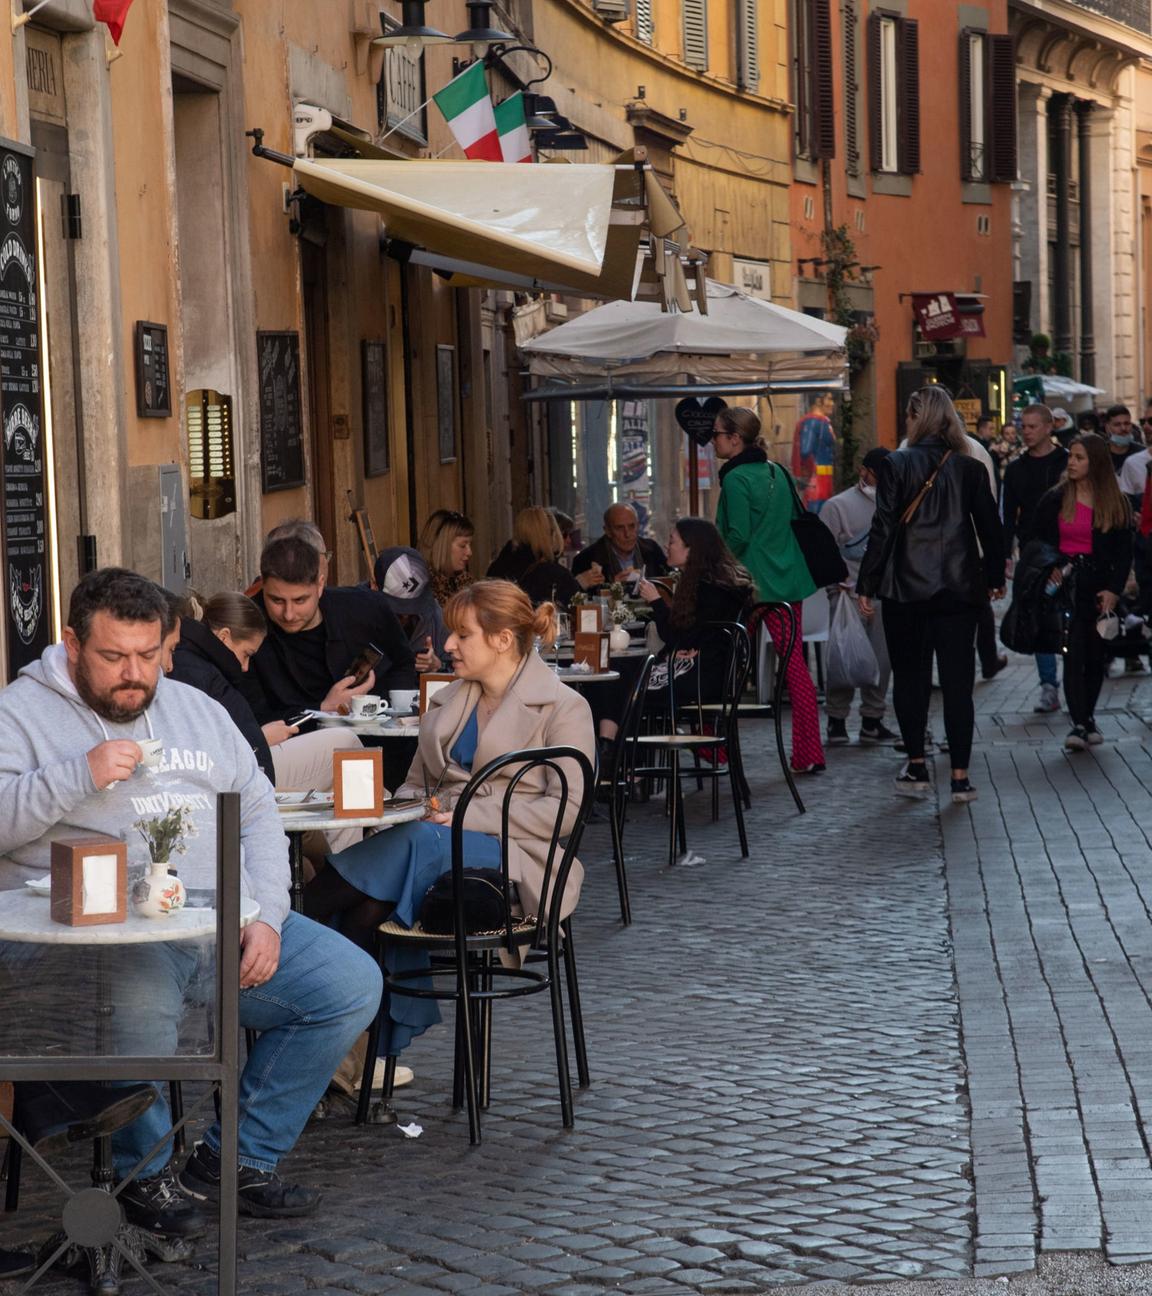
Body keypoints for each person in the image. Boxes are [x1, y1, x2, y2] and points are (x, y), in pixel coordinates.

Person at [0, 569, 381, 1229]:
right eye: (114, 656)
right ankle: (141, 1178)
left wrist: (268, 915)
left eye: (149, 655)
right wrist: (76, 774)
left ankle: (235, 1159)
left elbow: (258, 809)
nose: (135, 674)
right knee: (140, 1000)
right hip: (98, 938)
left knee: (349, 984)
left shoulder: (195, 710)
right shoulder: (20, 712)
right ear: (70, 644)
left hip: (218, 923)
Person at [303, 580, 595, 1058]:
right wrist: (418, 805)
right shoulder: (447, 702)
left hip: (517, 859)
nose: (446, 645)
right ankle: (347, 1047)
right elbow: (415, 787)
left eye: (462, 634)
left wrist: (461, 814)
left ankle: (300, 925)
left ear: (502, 639)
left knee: (418, 845)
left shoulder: (565, 708)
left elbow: (562, 813)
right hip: (431, 848)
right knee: (371, 904)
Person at [857, 387, 1006, 804]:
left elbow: (883, 528)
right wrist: (995, 576)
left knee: (911, 679)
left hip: (907, 589)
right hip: (959, 588)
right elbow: (991, 531)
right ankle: (960, 776)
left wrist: (867, 584)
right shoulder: (969, 468)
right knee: (959, 684)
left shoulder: (895, 464)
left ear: (914, 417)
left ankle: (918, 764)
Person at [169, 591, 364, 855]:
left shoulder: (200, 663)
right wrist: (259, 739)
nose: (247, 667)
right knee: (347, 746)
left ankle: (347, 867)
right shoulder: (196, 669)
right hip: (246, 771)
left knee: (358, 783)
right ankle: (349, 867)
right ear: (224, 637)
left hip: (249, 763)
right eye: (246, 654)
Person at [712, 406, 826, 774]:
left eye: (716, 434)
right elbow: (794, 520)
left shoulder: (735, 479)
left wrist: (711, 561)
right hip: (788, 578)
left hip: (749, 584)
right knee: (795, 666)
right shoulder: (777, 471)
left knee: (722, 660)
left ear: (735, 439)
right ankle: (809, 753)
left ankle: (715, 748)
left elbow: (738, 536)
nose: (711, 440)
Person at [244, 536, 417, 725]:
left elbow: (403, 663)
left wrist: (390, 714)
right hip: (292, 745)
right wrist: (323, 709)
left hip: (377, 739)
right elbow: (250, 716)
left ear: (320, 585)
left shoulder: (365, 609)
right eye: (276, 600)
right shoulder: (245, 629)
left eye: (300, 600)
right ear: (263, 587)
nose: (289, 614)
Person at [1032, 435, 1133, 750]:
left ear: (1096, 463)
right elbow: (1036, 539)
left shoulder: (1116, 503)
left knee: (1095, 654)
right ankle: (1078, 722)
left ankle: (1088, 717)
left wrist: (1114, 590)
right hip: (1066, 585)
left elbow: (1123, 552)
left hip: (1100, 589)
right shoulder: (1056, 498)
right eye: (1071, 457)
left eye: (1079, 457)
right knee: (1073, 653)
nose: (1071, 462)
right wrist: (1049, 565)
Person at [818, 448, 896, 747]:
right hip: (847, 594)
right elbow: (823, 552)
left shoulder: (896, 503)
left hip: (882, 593)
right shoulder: (837, 506)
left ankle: (871, 720)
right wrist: (835, 587)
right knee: (842, 656)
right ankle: (838, 719)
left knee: (882, 659)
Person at [1002, 404, 1070, 714]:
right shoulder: (1016, 469)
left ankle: (1077, 681)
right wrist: (1006, 554)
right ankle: (1048, 686)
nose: (1026, 432)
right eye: (1023, 426)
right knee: (1039, 617)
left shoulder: (1067, 462)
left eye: (1032, 426)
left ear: (1048, 427)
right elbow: (1008, 515)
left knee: (1071, 617)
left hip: (1069, 548)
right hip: (1033, 553)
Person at [486, 506, 582, 606]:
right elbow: (579, 613)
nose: (568, 540)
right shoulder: (557, 576)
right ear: (552, 535)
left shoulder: (496, 570)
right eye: (564, 534)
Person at [373, 546, 449, 668]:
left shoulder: (433, 612)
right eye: (397, 606)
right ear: (374, 586)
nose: (405, 614)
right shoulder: (356, 613)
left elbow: (456, 671)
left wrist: (438, 666)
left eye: (413, 605)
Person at [571, 502, 668, 587]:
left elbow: (669, 584)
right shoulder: (585, 559)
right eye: (620, 528)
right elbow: (575, 599)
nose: (627, 534)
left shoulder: (652, 550)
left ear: (638, 526)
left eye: (632, 526)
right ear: (608, 531)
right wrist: (612, 587)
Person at [418, 509, 475, 607]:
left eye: (470, 545)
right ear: (443, 546)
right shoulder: (421, 589)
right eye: (462, 545)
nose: (470, 552)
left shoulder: (467, 586)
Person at [791, 393, 837, 514]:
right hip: (817, 478)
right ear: (818, 401)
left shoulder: (821, 421)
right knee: (817, 510)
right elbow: (805, 450)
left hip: (822, 477)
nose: (832, 403)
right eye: (829, 399)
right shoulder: (812, 422)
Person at [1104, 404, 1141, 477]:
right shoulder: (1099, 454)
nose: (1123, 428)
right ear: (1107, 428)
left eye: (1127, 423)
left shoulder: (1141, 453)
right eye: (1117, 425)